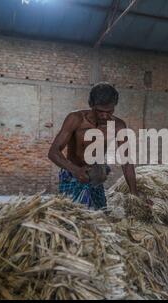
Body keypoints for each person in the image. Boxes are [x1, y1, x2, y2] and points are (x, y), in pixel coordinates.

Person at [48, 82, 138, 210]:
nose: (105, 116)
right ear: (91, 105)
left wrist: (134, 194)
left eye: (109, 111)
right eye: (100, 111)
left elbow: (127, 162)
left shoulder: (118, 125)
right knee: (73, 217)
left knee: (100, 217)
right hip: (72, 174)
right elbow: (53, 152)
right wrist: (75, 170)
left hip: (96, 176)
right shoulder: (75, 119)